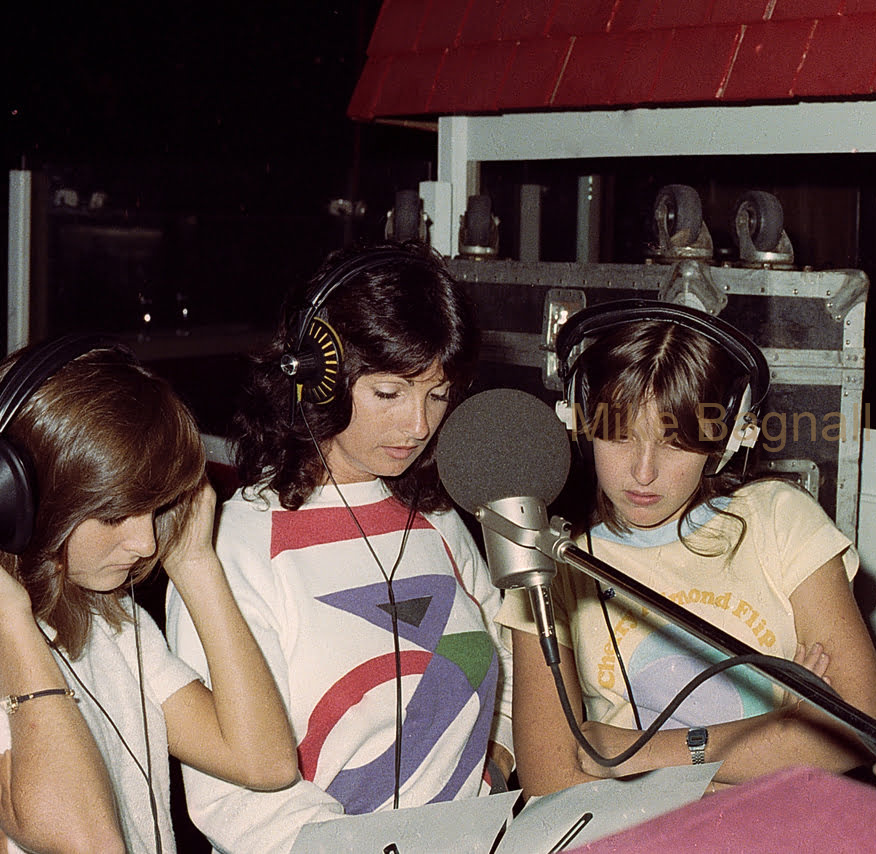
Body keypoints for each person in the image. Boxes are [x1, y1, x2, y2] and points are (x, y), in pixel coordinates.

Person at [166, 243, 513, 853]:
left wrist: (497, 765)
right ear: (317, 378)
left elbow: (506, 653)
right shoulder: (234, 547)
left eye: (437, 395)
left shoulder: (436, 518)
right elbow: (240, 800)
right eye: (390, 393)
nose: (418, 425)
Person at [500, 301, 876, 797]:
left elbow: (857, 725)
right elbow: (552, 785)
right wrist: (781, 731)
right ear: (580, 423)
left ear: (725, 439)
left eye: (675, 441)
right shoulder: (546, 560)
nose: (644, 471)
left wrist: (638, 750)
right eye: (618, 436)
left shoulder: (778, 519)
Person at [0, 338, 297, 854]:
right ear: (14, 500)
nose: (146, 542)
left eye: (154, 507)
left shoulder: (111, 622)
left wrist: (196, 565)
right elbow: (88, 841)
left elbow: (265, 762)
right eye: (115, 515)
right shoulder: (11, 643)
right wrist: (13, 625)